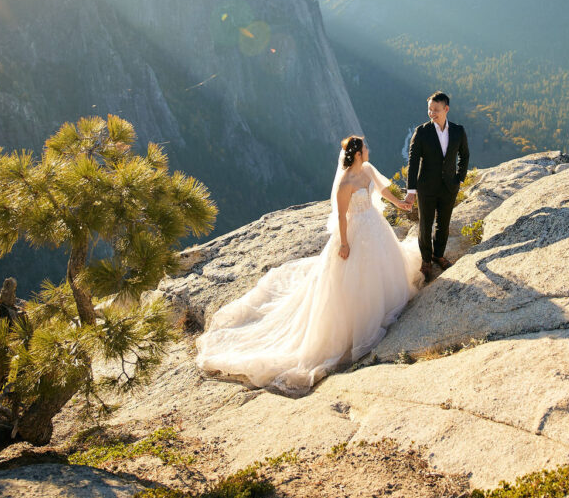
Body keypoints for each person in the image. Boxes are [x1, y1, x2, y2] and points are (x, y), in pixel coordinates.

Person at [196, 136, 422, 396]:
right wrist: (345, 244)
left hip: (375, 227)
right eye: (366, 148)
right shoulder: (345, 182)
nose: (369, 150)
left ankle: (384, 304)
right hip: (357, 233)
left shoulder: (368, 170)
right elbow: (341, 216)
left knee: (383, 268)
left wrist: (401, 204)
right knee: (355, 280)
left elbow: (382, 191)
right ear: (358, 153)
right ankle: (359, 326)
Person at [403, 92, 470, 283]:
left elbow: (464, 155)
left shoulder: (458, 130)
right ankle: (426, 260)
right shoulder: (422, 132)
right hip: (426, 188)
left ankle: (438, 255)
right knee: (425, 225)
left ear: (446, 109)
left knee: (443, 224)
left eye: (436, 110)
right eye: (429, 109)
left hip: (449, 186)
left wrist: (460, 179)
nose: (432, 113)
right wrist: (411, 191)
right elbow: (413, 161)